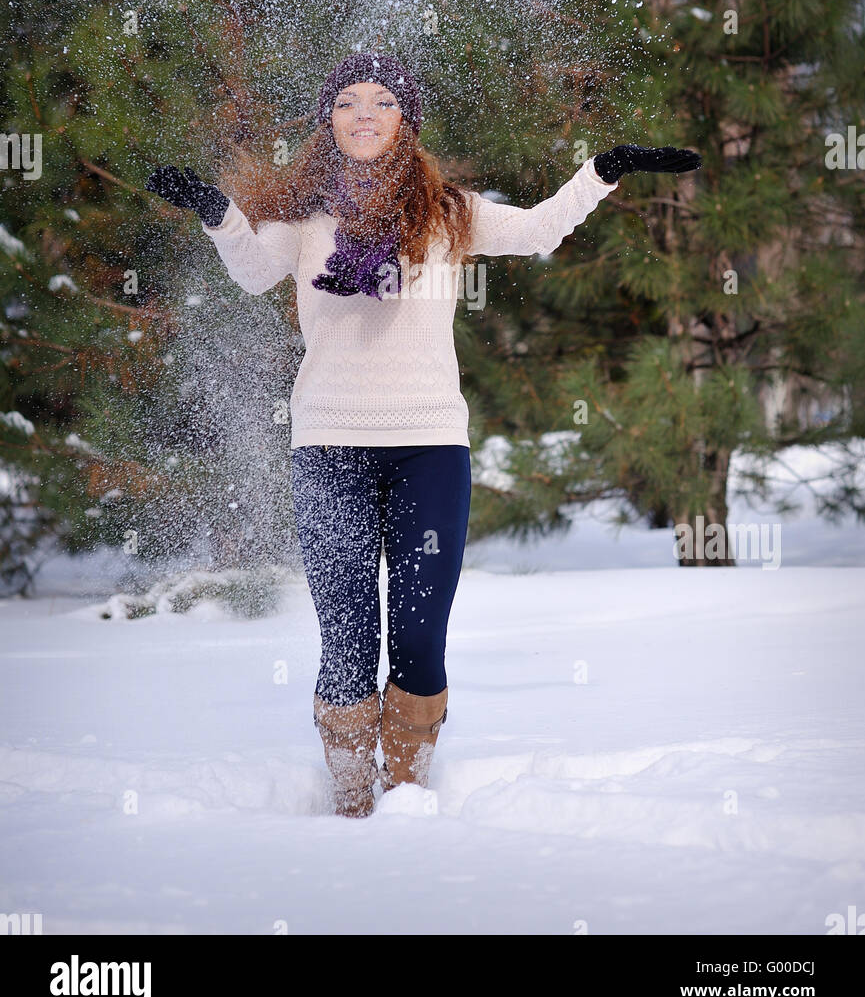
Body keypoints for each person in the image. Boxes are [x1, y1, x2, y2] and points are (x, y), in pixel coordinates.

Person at [146, 53, 701, 817]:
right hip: (329, 448)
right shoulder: (305, 218)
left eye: (382, 101)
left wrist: (601, 169)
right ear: (327, 119)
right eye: (347, 101)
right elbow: (248, 270)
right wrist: (218, 213)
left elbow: (539, 229)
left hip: (430, 449)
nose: (364, 113)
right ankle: (350, 803)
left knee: (417, 637)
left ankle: (407, 800)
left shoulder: (448, 212)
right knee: (346, 641)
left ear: (404, 120)